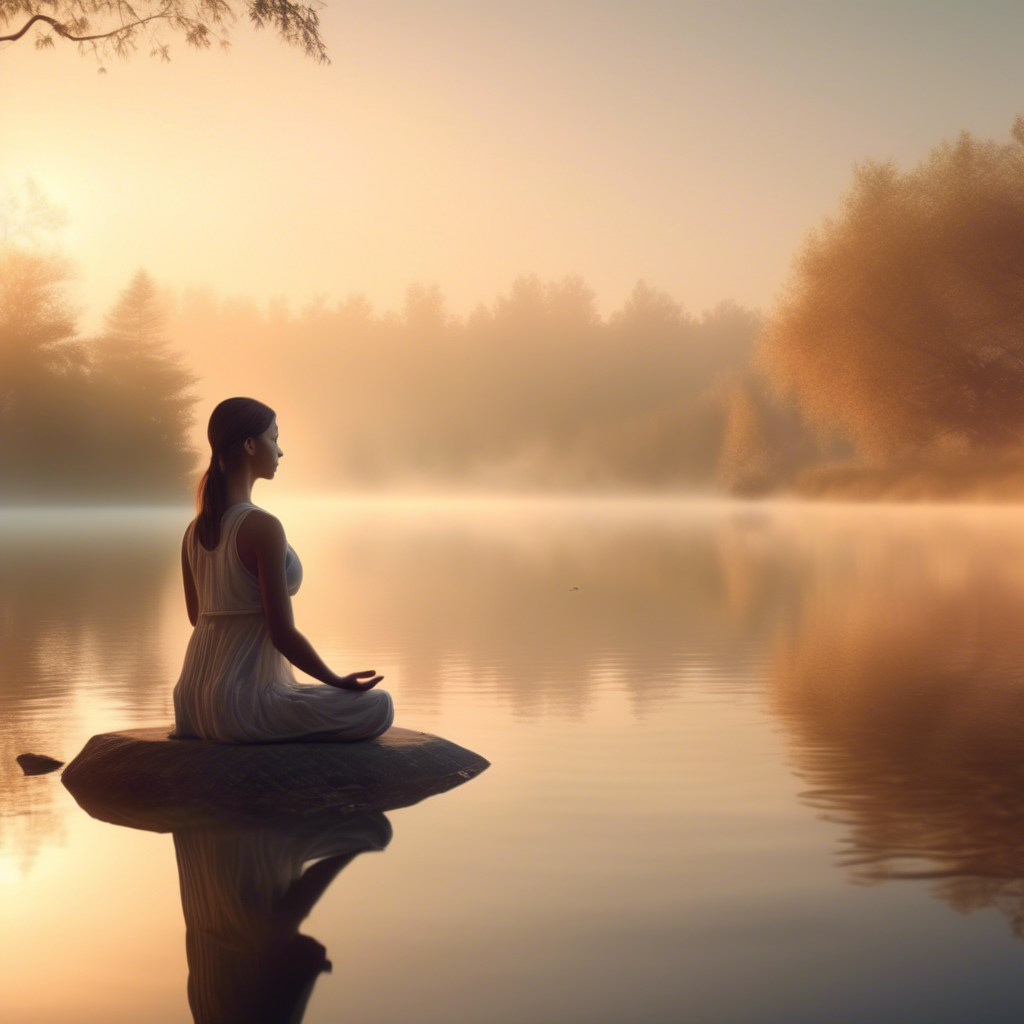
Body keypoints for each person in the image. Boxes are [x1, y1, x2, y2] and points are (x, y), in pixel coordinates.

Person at [173, 397, 394, 742]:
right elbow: (282, 634)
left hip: (192, 700)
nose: (280, 451)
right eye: (274, 439)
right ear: (249, 445)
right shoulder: (262, 526)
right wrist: (337, 681)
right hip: (243, 705)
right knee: (379, 705)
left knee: (347, 702)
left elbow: (195, 617)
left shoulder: (194, 531)